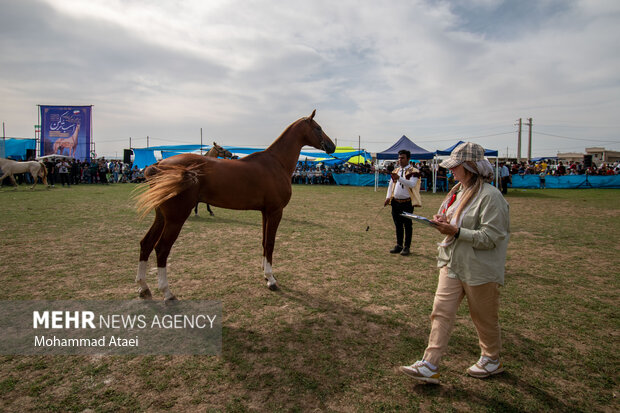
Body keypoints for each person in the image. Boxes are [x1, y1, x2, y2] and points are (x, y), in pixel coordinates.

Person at [399, 142, 510, 384]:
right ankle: (430, 364)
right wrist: (440, 220)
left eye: (455, 167)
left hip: (479, 269)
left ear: (469, 167)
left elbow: (491, 238)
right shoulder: (456, 192)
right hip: (451, 263)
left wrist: (456, 231)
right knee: (440, 313)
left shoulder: (492, 197)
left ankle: (491, 358)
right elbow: (447, 217)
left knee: (483, 317)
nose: (450, 171)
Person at [384, 149, 422, 256]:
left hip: (407, 203)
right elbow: (391, 185)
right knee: (398, 224)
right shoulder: (396, 171)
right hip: (395, 202)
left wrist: (399, 178)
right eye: (399, 158)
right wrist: (388, 197)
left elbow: (412, 184)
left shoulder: (414, 171)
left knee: (407, 225)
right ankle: (399, 245)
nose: (400, 160)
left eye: (402, 158)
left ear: (408, 159)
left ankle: (407, 247)